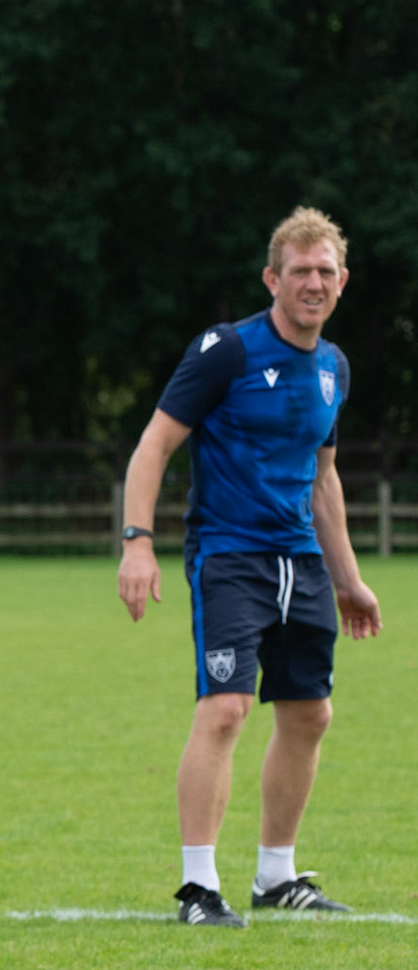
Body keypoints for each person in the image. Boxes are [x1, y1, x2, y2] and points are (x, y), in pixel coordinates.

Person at [117, 206, 381, 929]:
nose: (314, 283)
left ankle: (276, 873)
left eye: (326, 271)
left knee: (309, 712)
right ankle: (199, 886)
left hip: (304, 561)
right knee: (227, 707)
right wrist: (138, 540)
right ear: (273, 277)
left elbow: (323, 479)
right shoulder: (228, 351)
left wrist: (351, 577)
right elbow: (154, 445)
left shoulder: (334, 367)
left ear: (342, 280)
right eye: (300, 270)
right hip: (231, 555)